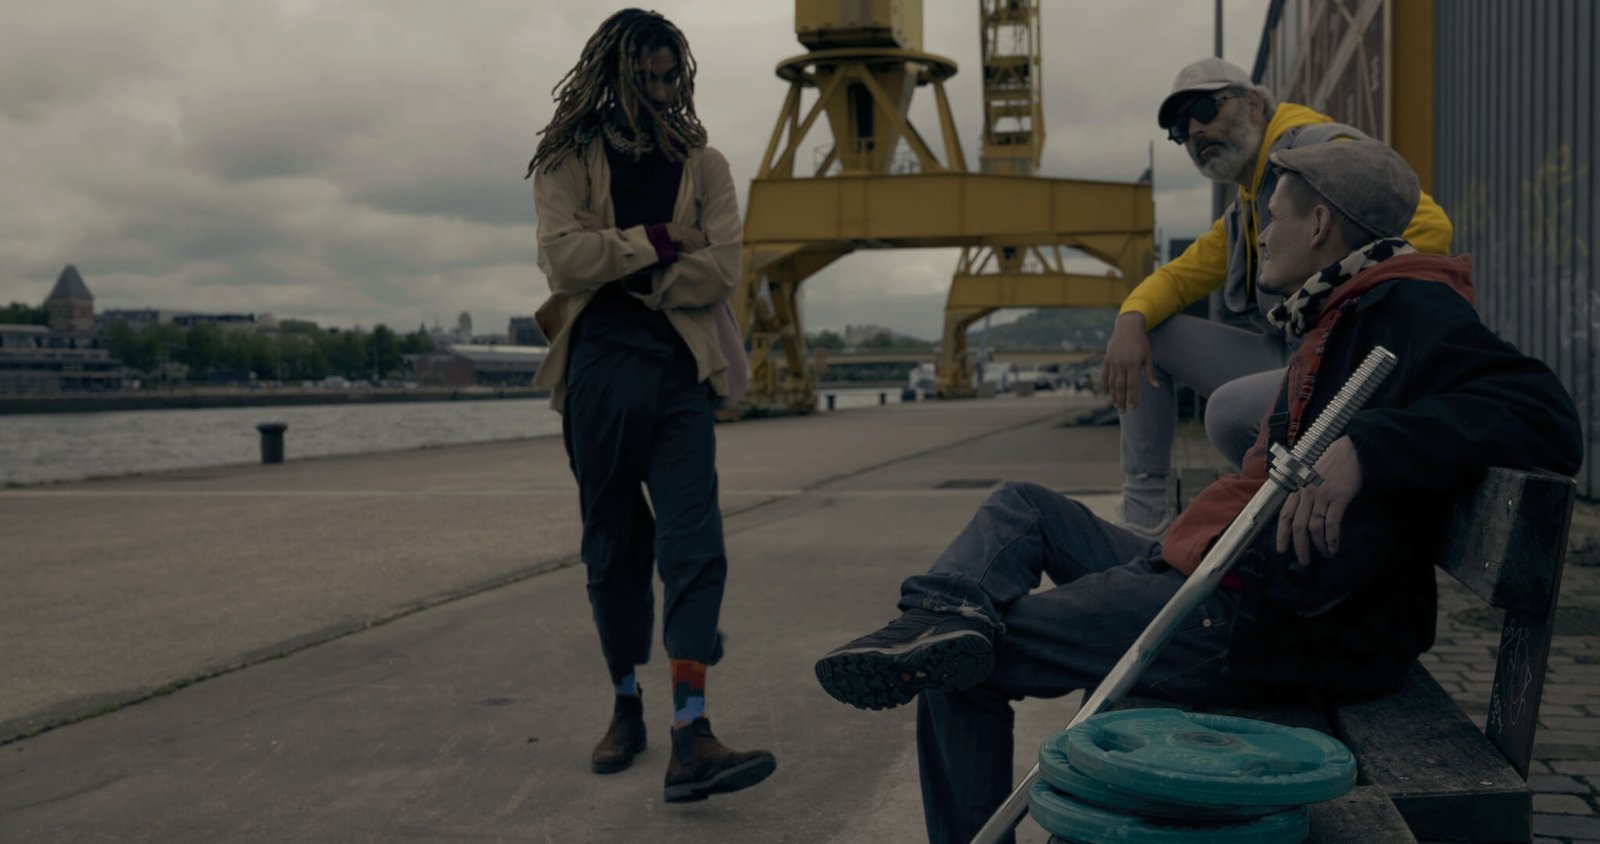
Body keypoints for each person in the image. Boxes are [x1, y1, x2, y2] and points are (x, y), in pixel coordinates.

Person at [814, 139, 1581, 844]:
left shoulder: (1412, 307)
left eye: (1272, 216)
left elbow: (1546, 415)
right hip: (1213, 565)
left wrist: (1372, 447)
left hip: (1252, 611)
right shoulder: (1347, 305)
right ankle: (944, 609)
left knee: (958, 670)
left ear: (1320, 224)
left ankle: (943, 644)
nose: (1261, 233)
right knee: (1020, 510)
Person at [526, 8, 774, 803]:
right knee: (613, 548)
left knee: (695, 545)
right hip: (596, 374)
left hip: (677, 375)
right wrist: (668, 240)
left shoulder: (706, 164)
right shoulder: (566, 158)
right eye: (650, 78)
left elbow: (725, 268)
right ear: (614, 75)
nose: (666, 92)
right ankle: (625, 705)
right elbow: (563, 259)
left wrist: (623, 260)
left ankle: (691, 732)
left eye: (674, 77)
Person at [1103, 57, 1455, 538]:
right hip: (1294, 356)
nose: (1195, 131)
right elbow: (1180, 277)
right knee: (1153, 332)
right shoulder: (1250, 203)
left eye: (1204, 109)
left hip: (1349, 358)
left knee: (1227, 411)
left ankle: (1276, 526)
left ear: (1252, 102)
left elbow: (1430, 227)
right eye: (1180, 128)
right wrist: (1129, 319)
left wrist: (1342, 309)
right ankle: (1144, 524)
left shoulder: (1316, 151)